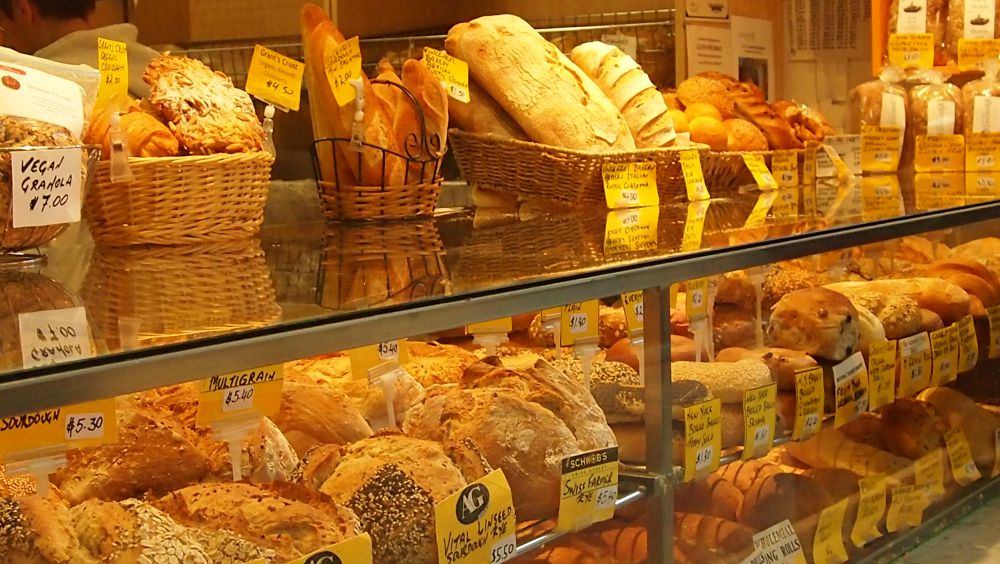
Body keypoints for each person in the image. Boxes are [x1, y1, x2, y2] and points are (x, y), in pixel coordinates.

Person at [0, 0, 159, 97]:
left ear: (22, 9)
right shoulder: (163, 74)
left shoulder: (29, 88)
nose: (5, 39)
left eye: (2, 26)